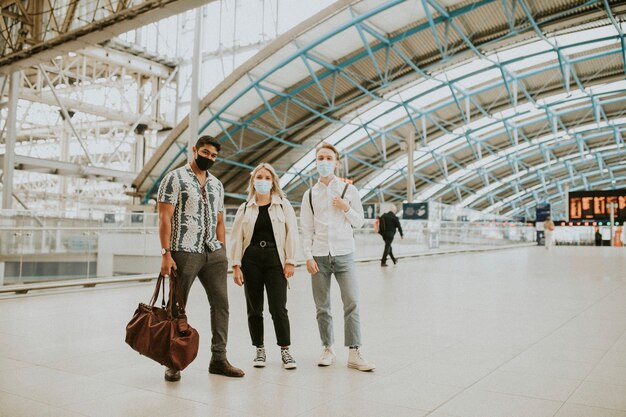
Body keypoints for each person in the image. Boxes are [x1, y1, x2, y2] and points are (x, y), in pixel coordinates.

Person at [157, 135, 244, 382]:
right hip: (184, 250)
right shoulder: (174, 179)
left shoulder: (217, 184)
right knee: (177, 306)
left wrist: (223, 252)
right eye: (205, 153)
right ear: (194, 150)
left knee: (221, 304)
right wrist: (166, 254)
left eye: (214, 156)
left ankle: (219, 358)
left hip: (213, 252)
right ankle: (172, 361)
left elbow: (219, 221)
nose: (209, 158)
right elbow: (164, 219)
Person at [301, 142, 375, 372]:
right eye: (320, 158)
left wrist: (345, 207)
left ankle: (354, 351)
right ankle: (327, 348)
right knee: (322, 306)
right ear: (316, 162)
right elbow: (306, 228)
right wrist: (308, 257)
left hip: (344, 254)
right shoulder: (309, 195)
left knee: (351, 302)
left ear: (337, 163)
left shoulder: (348, 191)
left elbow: (360, 221)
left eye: (328, 159)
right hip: (319, 256)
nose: (324, 162)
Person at [230, 163, 299, 369]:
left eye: (267, 178)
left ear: (273, 182)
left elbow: (292, 233)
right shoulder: (245, 208)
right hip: (251, 259)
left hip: (275, 259)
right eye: (259, 177)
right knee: (254, 308)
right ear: (253, 181)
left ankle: (285, 350)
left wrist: (290, 261)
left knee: (278, 307)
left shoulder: (283, 205)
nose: (263, 181)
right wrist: (235, 265)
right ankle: (259, 349)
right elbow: (236, 238)